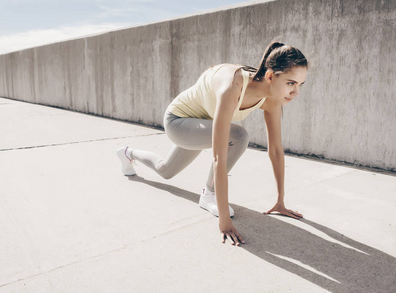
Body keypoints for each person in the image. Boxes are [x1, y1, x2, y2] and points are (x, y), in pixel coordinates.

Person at [117, 41, 307, 246]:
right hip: (179, 121)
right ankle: (209, 194)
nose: (296, 93)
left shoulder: (273, 98)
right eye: (291, 83)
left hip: (203, 125)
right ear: (270, 76)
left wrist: (280, 200)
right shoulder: (233, 85)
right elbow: (218, 158)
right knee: (238, 136)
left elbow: (276, 150)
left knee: (165, 170)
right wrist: (224, 221)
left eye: (300, 85)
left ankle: (128, 153)